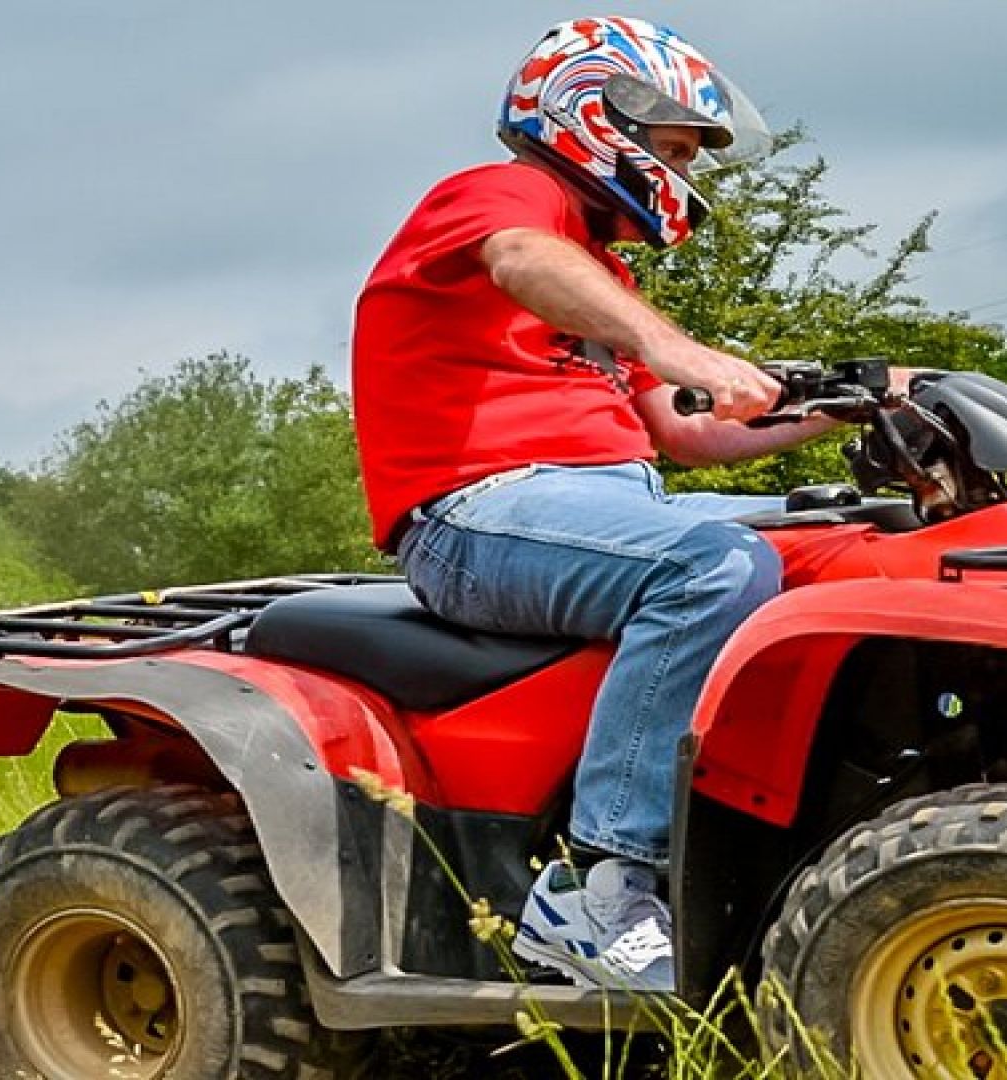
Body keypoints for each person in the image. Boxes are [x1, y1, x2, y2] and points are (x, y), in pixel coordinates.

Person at [351, 16, 845, 993]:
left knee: (857, 542)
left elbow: (692, 435)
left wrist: (853, 404)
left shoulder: (604, 278)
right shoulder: (506, 198)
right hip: (474, 512)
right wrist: (677, 347)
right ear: (594, 114)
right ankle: (600, 888)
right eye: (671, 147)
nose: (684, 172)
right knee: (712, 564)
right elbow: (523, 262)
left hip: (605, 506)